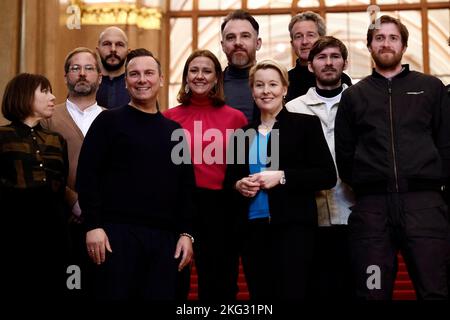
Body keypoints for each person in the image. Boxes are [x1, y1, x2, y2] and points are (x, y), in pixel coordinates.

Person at [335, 15, 450, 300]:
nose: (386, 43)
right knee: (372, 292)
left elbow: (446, 143)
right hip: (373, 211)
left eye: (393, 38)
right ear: (370, 45)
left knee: (433, 290)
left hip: (424, 206)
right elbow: (345, 152)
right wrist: (368, 184)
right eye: (379, 38)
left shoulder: (431, 88)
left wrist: (435, 182)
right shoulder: (354, 96)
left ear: (404, 45)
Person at [76, 48, 196, 300]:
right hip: (115, 236)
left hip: (165, 241)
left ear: (161, 79)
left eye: (149, 73)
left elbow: (186, 187)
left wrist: (186, 233)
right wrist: (93, 226)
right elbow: (87, 176)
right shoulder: (108, 122)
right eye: (135, 74)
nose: (142, 79)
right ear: (126, 82)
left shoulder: (175, 131)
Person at [224, 60, 336, 299]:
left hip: (293, 230)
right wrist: (238, 184)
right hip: (253, 232)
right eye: (260, 85)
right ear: (252, 90)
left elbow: (327, 175)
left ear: (285, 89)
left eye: (273, 84)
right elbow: (229, 180)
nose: (266, 91)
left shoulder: (305, 125)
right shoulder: (241, 135)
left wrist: (283, 177)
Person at [164, 50, 247, 301]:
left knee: (220, 283)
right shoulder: (168, 118)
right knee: (174, 281)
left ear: (216, 79)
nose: (200, 76)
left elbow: (241, 168)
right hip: (177, 207)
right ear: (186, 77)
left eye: (207, 71)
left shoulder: (236, 119)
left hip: (220, 208)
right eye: (194, 70)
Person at [286, 36, 355, 299]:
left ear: (345, 63)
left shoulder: (360, 101)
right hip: (310, 219)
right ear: (310, 65)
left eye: (335, 56)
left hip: (353, 213)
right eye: (321, 57)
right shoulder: (293, 108)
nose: (328, 63)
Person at [41, 47, 104, 297]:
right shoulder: (47, 117)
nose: (82, 74)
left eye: (89, 68)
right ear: (65, 76)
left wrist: (90, 207)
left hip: (101, 224)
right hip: (57, 221)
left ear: (99, 77)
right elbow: (42, 166)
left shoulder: (112, 120)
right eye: (75, 68)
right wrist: (72, 199)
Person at [0, 73, 69, 298]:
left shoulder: (56, 140)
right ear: (25, 96)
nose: (53, 97)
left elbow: (61, 185)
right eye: (45, 91)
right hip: (14, 235)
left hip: (53, 236)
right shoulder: (3, 137)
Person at [285, 11, 352, 103]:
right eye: (298, 36)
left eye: (310, 35)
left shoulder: (341, 79)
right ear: (292, 44)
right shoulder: (284, 80)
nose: (304, 41)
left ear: (323, 39)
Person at [221, 9, 262, 123]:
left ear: (257, 43)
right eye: (230, 37)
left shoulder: (277, 84)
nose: (238, 42)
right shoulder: (211, 86)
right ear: (223, 46)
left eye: (245, 36)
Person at [95, 26, 130, 109]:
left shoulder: (137, 85)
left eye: (119, 45)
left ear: (128, 51)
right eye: (107, 44)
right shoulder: (87, 83)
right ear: (98, 50)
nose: (113, 49)